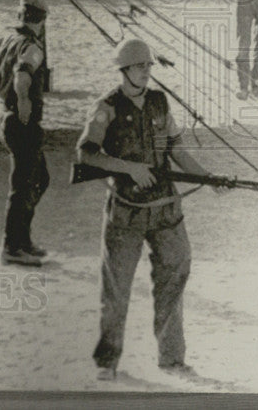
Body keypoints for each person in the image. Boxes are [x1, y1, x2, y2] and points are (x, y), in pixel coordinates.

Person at [77, 38, 224, 381]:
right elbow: (86, 153)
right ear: (124, 70)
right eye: (140, 66)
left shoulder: (160, 103)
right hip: (126, 209)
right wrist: (128, 168)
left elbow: (177, 150)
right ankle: (107, 360)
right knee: (117, 286)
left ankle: (172, 358)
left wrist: (209, 177)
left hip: (164, 208)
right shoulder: (106, 107)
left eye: (148, 67)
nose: (146, 72)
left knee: (175, 272)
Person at [0, 0, 50, 267]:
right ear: (42, 19)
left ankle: (22, 239)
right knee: (24, 184)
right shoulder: (32, 47)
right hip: (22, 122)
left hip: (4, 118)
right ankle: (12, 245)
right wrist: (22, 103)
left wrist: (0, 94)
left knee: (39, 178)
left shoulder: (3, 40)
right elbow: (22, 77)